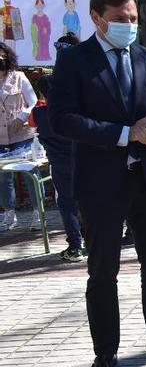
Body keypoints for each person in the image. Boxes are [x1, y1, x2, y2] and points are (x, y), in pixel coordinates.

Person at [49, 0, 146, 367]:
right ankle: (105, 352)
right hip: (99, 183)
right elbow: (62, 119)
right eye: (120, 19)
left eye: (132, 19)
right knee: (102, 272)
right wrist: (124, 133)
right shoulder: (75, 61)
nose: (129, 25)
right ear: (97, 17)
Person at [33, 41, 86, 262]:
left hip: (60, 163)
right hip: (83, 158)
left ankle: (75, 245)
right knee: (89, 200)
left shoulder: (41, 114)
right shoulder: (77, 108)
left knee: (66, 203)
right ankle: (92, 240)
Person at [0, 42, 42, 232]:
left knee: (29, 174)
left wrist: (22, 116)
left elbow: (33, 101)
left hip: (22, 134)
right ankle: (9, 214)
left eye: (2, 58)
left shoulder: (19, 77)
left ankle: (37, 213)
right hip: (1, 137)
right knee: (2, 177)